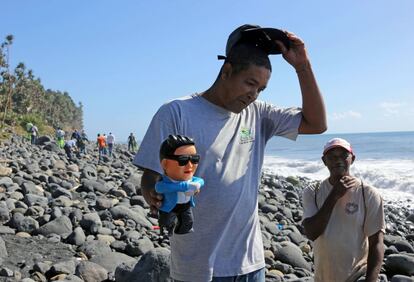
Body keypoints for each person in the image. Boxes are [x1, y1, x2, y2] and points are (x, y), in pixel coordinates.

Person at [134, 24, 327, 282]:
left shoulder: (259, 114)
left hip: (250, 264)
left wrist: (303, 67)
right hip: (197, 266)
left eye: (260, 89)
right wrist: (152, 192)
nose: (253, 95)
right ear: (226, 71)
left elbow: (316, 124)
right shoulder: (176, 112)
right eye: (250, 83)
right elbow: (151, 173)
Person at [302, 138, 385, 282]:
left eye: (343, 155)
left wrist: (370, 280)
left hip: (356, 276)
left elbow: (376, 242)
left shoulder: (368, 194)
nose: (338, 160)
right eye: (332, 157)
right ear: (324, 161)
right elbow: (311, 232)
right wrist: (334, 195)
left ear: (352, 159)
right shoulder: (313, 192)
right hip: (323, 277)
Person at [156, 134, 204, 237]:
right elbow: (159, 187)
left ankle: (183, 231)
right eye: (183, 160)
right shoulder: (166, 180)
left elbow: (200, 181)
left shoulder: (191, 179)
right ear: (165, 164)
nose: (190, 165)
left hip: (185, 205)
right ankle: (165, 232)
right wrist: (185, 186)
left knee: (187, 221)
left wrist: (197, 185)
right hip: (169, 206)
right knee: (166, 221)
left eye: (195, 159)